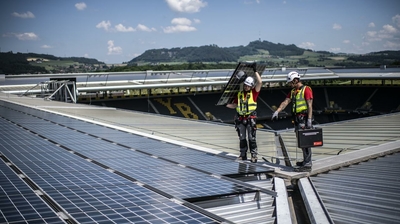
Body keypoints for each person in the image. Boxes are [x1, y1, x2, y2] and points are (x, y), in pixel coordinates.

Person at [271, 71, 314, 172]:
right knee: (301, 141)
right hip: (297, 119)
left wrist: (309, 120)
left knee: (305, 141)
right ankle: (305, 160)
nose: (290, 84)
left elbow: (310, 105)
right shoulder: (293, 92)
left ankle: (307, 164)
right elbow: (285, 102)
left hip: (303, 118)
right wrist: (277, 111)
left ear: (295, 80)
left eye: (290, 82)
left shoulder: (306, 89)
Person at [226, 63, 262, 163]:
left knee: (251, 138)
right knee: (242, 138)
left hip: (250, 118)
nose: (246, 87)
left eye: (248, 86)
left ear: (251, 86)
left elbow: (260, 82)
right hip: (240, 118)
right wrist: (226, 105)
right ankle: (243, 155)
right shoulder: (240, 94)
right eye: (246, 85)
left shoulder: (254, 93)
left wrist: (255, 71)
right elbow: (235, 105)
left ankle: (254, 155)